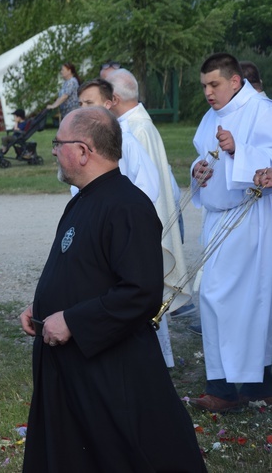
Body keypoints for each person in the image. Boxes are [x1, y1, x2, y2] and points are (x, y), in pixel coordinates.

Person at [20, 107, 206, 472]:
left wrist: (72, 321)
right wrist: (40, 306)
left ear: (85, 150)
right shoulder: (83, 199)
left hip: (109, 369)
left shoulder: (127, 206)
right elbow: (82, 269)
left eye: (59, 143)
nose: (54, 150)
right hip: (72, 366)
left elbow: (140, 292)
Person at [187, 53, 272, 412]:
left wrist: (241, 151)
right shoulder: (212, 116)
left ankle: (235, 386)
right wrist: (198, 170)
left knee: (246, 304)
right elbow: (198, 153)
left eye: (214, 84)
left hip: (250, 218)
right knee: (218, 300)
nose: (208, 92)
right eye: (204, 85)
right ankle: (238, 384)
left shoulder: (262, 109)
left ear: (235, 82)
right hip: (218, 218)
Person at [107, 68, 185, 365]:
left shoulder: (133, 130)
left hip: (136, 225)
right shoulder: (138, 124)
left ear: (112, 99)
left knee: (139, 293)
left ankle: (150, 360)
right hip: (144, 221)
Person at [74, 78, 160, 203]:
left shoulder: (127, 142)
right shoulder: (80, 143)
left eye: (89, 103)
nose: (83, 109)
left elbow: (148, 188)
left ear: (107, 104)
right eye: (80, 104)